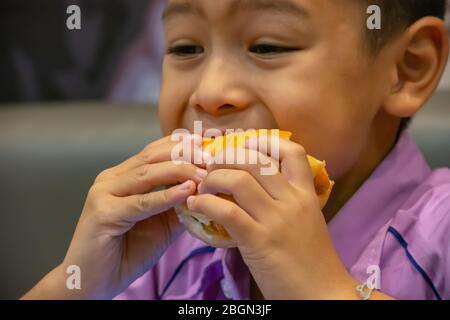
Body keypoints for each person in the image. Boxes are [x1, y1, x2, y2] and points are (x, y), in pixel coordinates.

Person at [23, 0, 450, 300]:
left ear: (407, 68)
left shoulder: (440, 230)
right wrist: (75, 286)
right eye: (186, 48)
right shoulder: (165, 246)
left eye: (268, 46)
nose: (210, 94)